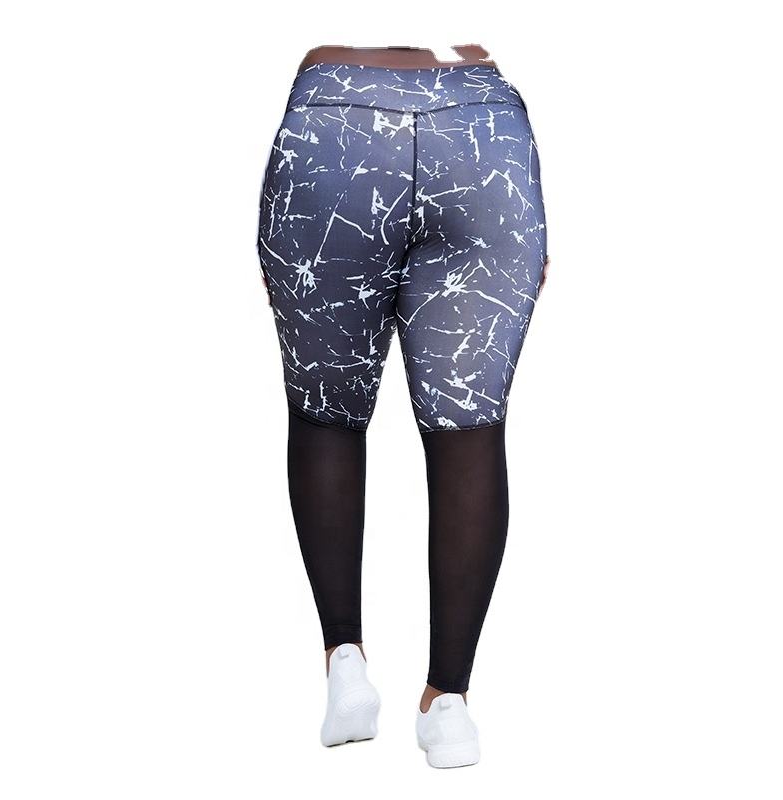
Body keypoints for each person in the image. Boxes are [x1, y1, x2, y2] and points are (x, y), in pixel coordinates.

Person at [256, 44, 549, 768]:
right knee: (469, 426)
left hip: (331, 125)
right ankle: (449, 707)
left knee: (326, 409)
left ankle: (345, 665)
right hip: (482, 133)